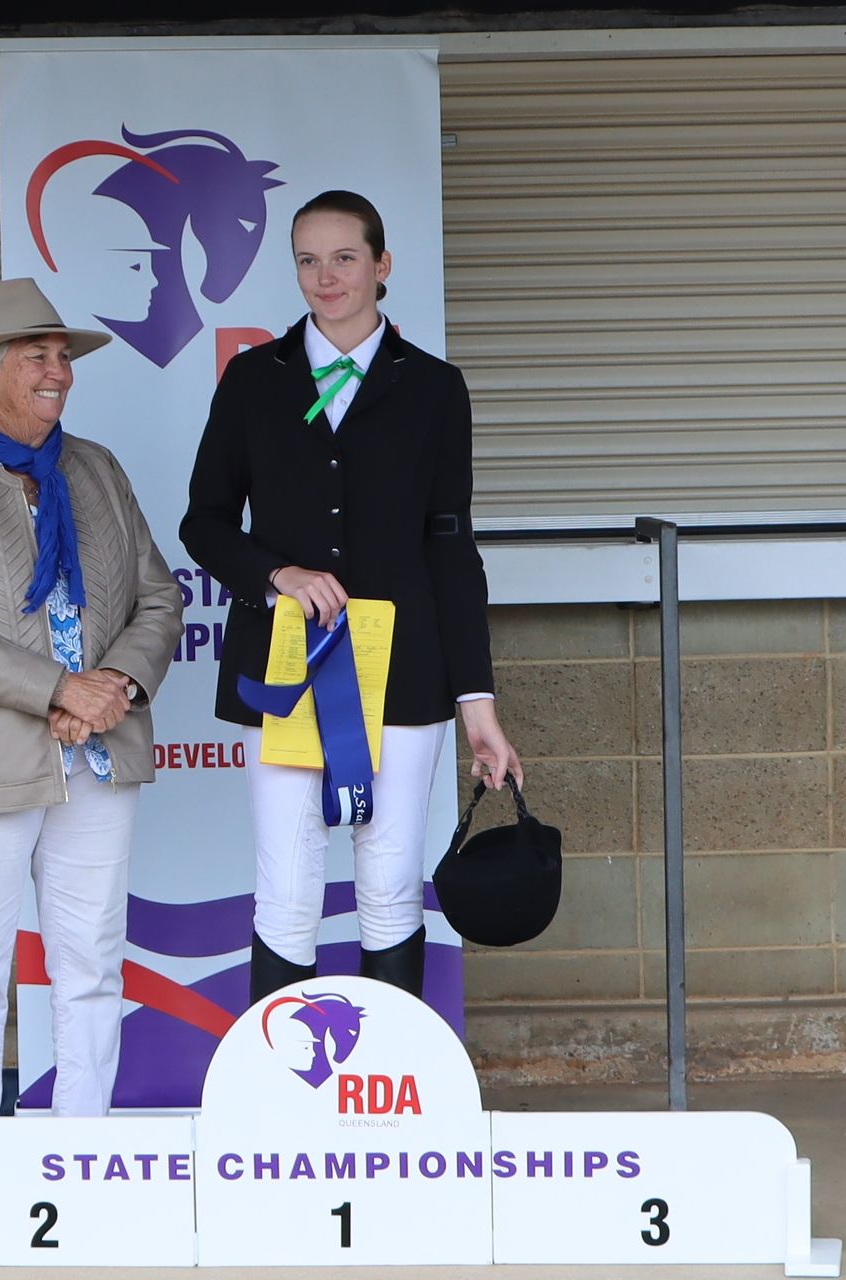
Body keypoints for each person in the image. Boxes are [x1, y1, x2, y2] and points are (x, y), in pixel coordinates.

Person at [179, 190, 522, 1003]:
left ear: (381, 265)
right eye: (306, 259)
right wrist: (276, 574)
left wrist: (477, 701)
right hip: (291, 659)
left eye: (343, 257)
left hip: (407, 667)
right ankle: (281, 1090)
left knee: (391, 880)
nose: (325, 277)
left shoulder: (436, 389)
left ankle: (387, 1089)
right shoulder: (254, 379)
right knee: (288, 887)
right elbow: (205, 522)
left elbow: (450, 543)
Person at [0, 278, 184, 1116]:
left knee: (92, 962)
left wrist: (111, 686)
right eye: (37, 356)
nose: (59, 372)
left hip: (95, 753)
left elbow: (158, 598)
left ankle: (80, 1151)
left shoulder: (95, 469)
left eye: (62, 357)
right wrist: (57, 686)